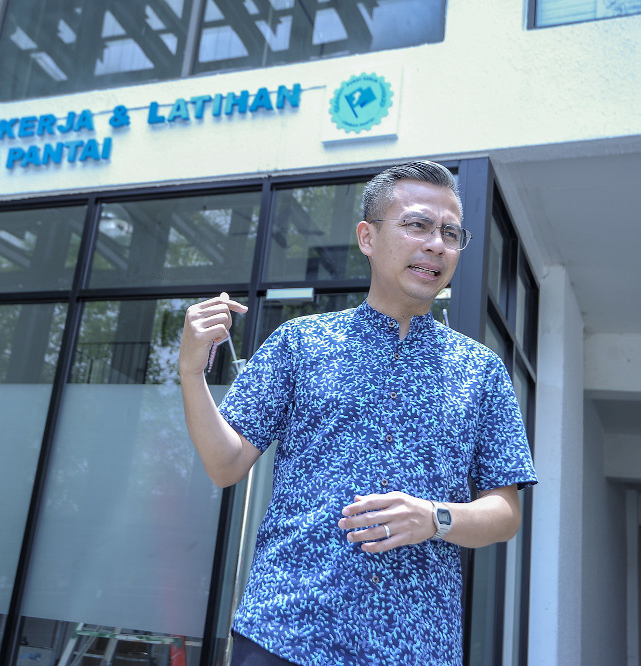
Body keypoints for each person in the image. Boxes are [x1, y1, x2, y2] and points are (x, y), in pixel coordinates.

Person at [178, 161, 537, 665]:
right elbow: (226, 464)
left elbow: (505, 514)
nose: (436, 243)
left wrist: (435, 517)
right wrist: (191, 375)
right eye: (417, 225)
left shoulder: (482, 372)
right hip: (285, 632)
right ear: (367, 237)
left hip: (414, 647)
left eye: (450, 233)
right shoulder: (300, 343)